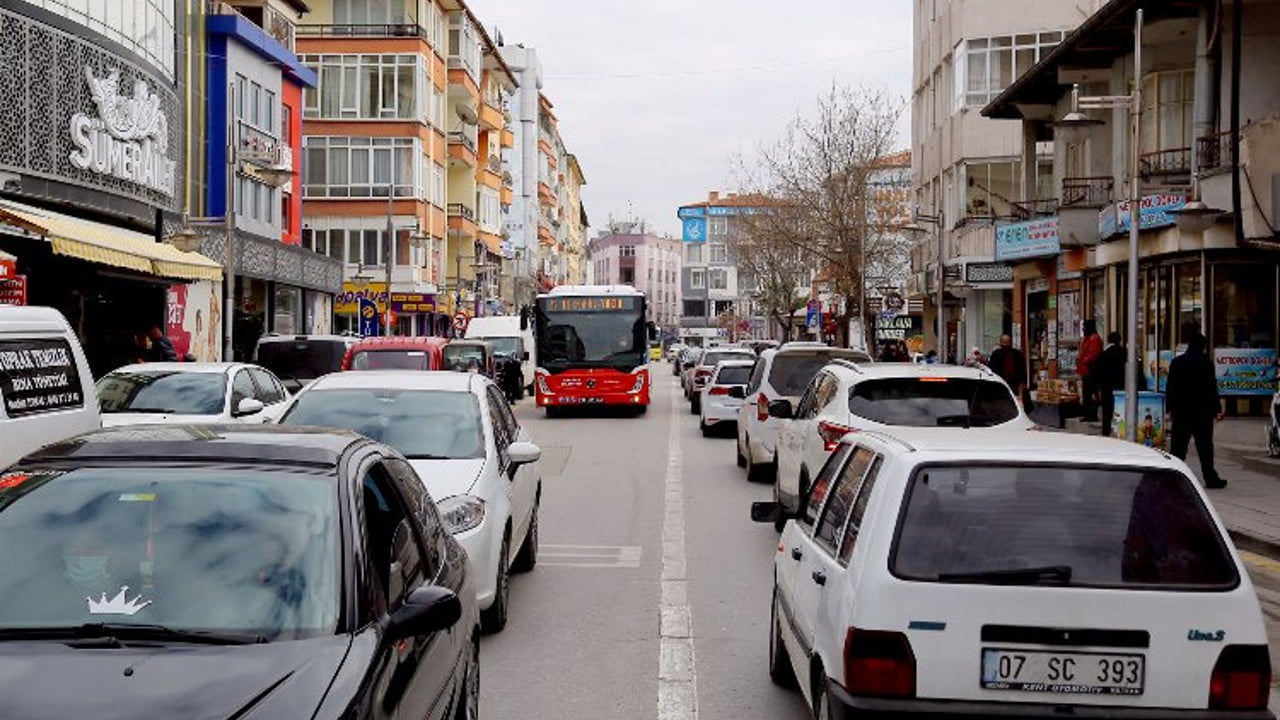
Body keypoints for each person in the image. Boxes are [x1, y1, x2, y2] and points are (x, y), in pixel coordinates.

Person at [1166, 331, 1226, 488]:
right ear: (1202, 346)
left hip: (1181, 412)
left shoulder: (1177, 362)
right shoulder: (1206, 362)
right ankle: (1210, 477)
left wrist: (1169, 409)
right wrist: (1217, 409)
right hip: (1202, 412)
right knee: (1205, 447)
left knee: (1178, 447)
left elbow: (1171, 387)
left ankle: (1172, 477)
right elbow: (1212, 388)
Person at [1095, 331, 1128, 438]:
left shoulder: (1104, 353)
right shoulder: (1125, 352)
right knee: (1121, 409)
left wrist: (1098, 388)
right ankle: (1121, 431)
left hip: (1107, 387)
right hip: (1123, 386)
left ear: (1108, 340)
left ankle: (1106, 431)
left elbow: (1098, 371)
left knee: (1107, 411)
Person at [988, 334, 1027, 404]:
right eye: (1005, 342)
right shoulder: (997, 354)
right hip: (1003, 386)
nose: (1006, 345)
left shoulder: (1016, 355)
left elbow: (1022, 375)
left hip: (1007, 386)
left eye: (1007, 342)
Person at [1077, 319, 1103, 421]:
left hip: (1091, 370)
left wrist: (1084, 360)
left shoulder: (1094, 339)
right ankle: (1087, 414)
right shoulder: (1087, 338)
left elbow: (1094, 354)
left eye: (1085, 327)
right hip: (1085, 369)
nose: (1083, 329)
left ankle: (1092, 414)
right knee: (1086, 393)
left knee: (1091, 392)